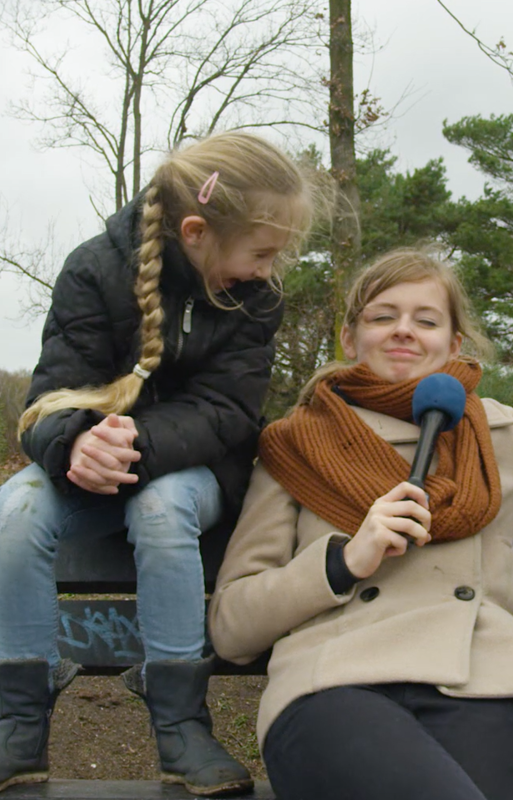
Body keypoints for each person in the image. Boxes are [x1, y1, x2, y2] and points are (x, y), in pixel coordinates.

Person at [208, 247, 513, 800]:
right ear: (349, 337)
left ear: (453, 343)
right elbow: (231, 625)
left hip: (483, 680)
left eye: (426, 320)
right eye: (382, 316)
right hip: (334, 685)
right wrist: (343, 561)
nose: (404, 332)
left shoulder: (494, 436)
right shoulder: (296, 446)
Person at [0, 131, 317, 796]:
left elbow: (226, 411)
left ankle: (179, 724)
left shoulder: (254, 298)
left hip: (194, 473)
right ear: (197, 231)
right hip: (92, 468)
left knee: (161, 504)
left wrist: (135, 446)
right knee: (15, 510)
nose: (268, 267)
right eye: (263, 251)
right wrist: (77, 441)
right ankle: (19, 719)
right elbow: (49, 397)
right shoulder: (94, 270)